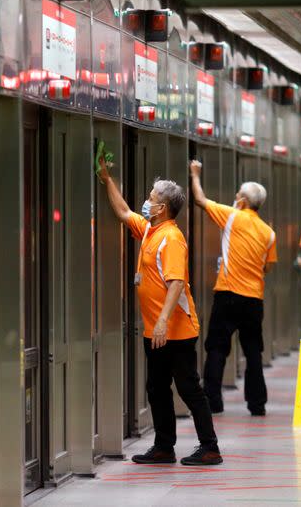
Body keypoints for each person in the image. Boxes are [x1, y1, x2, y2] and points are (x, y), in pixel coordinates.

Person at [97, 155, 221, 466]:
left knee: (188, 388)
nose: (146, 202)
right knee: (157, 388)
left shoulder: (172, 238)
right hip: (155, 330)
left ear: (162, 207)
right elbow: (124, 212)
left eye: (151, 199)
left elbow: (177, 282)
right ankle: (165, 446)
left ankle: (210, 447)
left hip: (175, 330)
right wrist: (106, 178)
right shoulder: (152, 230)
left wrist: (164, 320)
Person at [189, 160, 277, 416]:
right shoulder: (268, 232)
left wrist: (195, 174)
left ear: (242, 200)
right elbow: (267, 267)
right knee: (253, 351)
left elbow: (200, 199)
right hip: (253, 299)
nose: (235, 197)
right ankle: (257, 404)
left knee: (217, 348)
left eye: (237, 194)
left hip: (227, 295)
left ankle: (213, 402)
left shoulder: (231, 216)